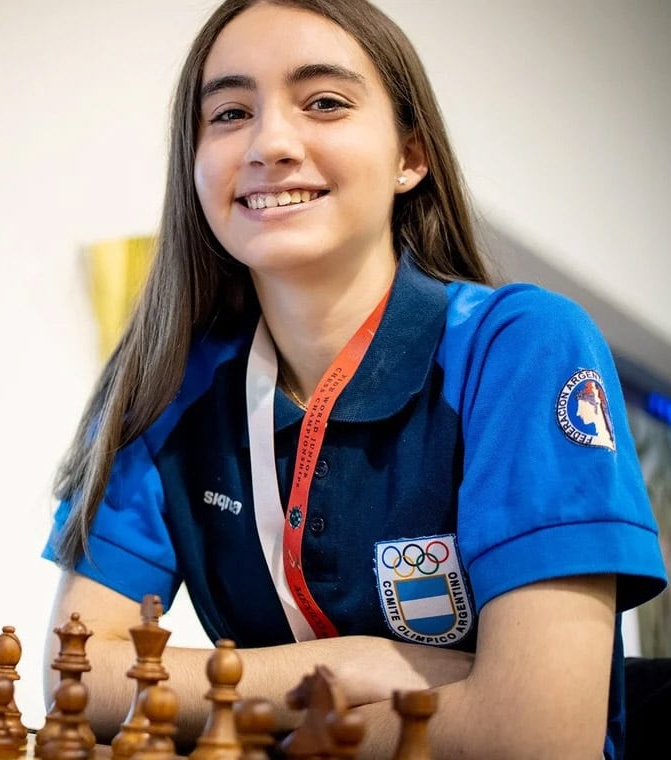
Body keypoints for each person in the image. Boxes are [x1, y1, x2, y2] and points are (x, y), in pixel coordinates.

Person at [41, 1, 667, 758]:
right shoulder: (165, 377)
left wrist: (245, 720)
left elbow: (536, 735)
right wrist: (351, 669)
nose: (270, 141)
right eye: (231, 112)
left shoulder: (522, 346)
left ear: (411, 155)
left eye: (325, 103)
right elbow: (82, 672)